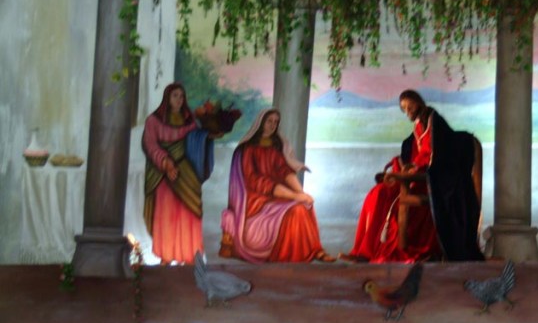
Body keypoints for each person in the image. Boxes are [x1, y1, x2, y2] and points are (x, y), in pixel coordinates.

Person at [343, 89, 485, 263]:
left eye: (410, 106)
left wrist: (417, 168)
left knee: (393, 199)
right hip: (415, 175)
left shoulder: (434, 122)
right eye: (404, 108)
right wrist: (406, 166)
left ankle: (391, 250)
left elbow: (438, 155)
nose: (407, 111)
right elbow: (414, 155)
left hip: (431, 179)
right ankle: (364, 251)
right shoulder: (417, 127)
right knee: (377, 193)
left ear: (419, 103)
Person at [219, 107, 336, 263]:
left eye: (276, 122)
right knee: (296, 210)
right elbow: (254, 180)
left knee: (305, 205)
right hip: (256, 200)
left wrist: (301, 193)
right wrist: (294, 195)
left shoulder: (274, 149)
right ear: (261, 123)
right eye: (269, 121)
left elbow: (284, 171)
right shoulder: (246, 150)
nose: (272, 125)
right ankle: (290, 255)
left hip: (276, 195)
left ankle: (315, 250)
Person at [142, 82, 217, 265]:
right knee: (167, 213)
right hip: (163, 174)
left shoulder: (190, 121)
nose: (179, 100)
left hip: (186, 172)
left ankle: (190, 255)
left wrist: (210, 135)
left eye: (181, 96)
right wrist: (166, 162)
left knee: (190, 210)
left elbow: (197, 139)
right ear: (167, 98)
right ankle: (166, 255)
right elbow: (150, 144)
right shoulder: (153, 121)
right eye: (175, 95)